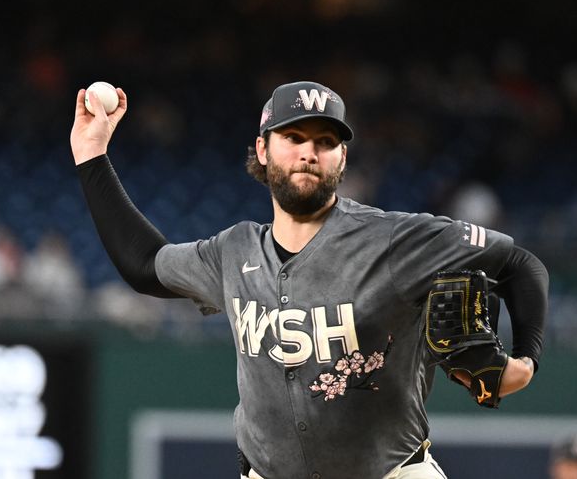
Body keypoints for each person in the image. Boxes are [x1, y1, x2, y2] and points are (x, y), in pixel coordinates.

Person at [71, 80, 549, 479]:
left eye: (325, 142)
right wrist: (92, 154)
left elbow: (520, 263)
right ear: (263, 149)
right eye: (294, 137)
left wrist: (525, 358)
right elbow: (144, 265)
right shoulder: (233, 252)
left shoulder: (396, 239)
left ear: (342, 157)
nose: (309, 152)